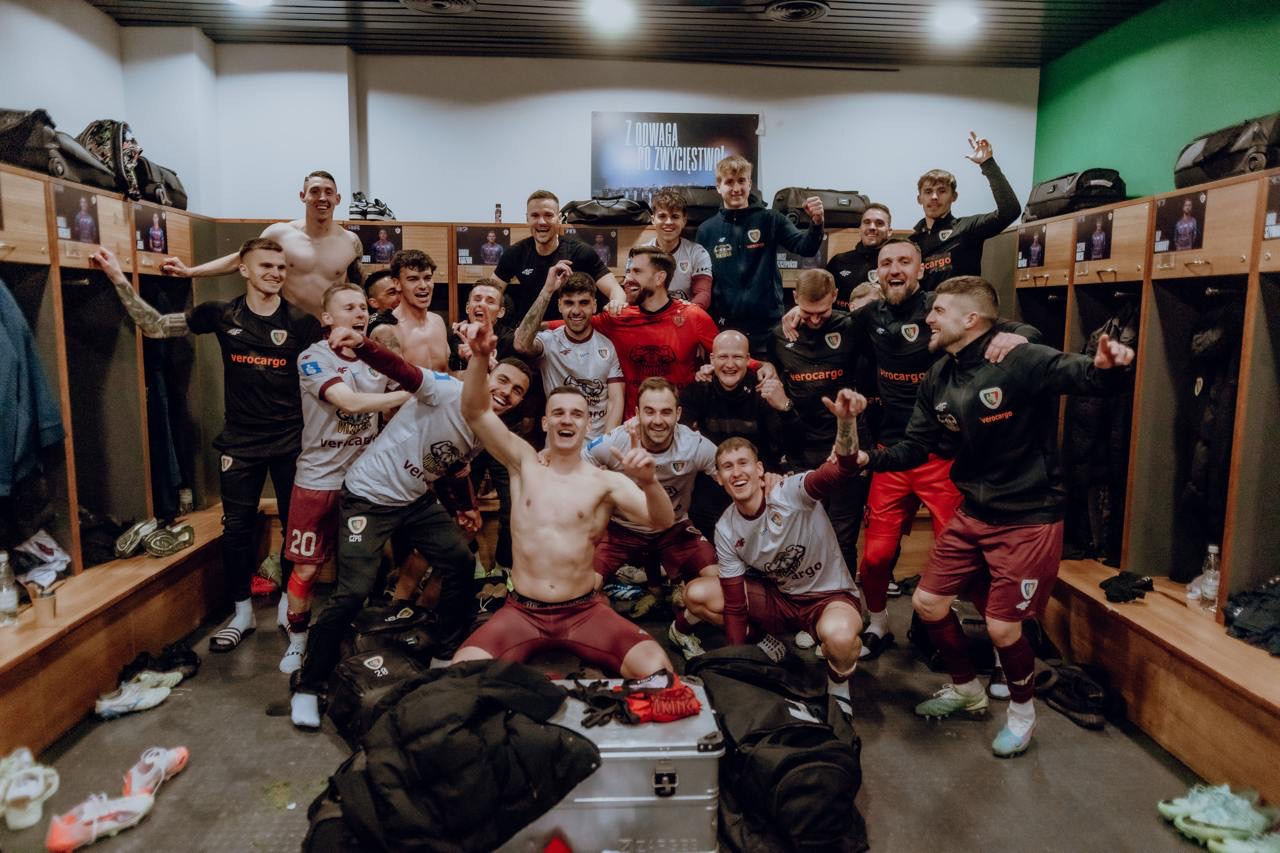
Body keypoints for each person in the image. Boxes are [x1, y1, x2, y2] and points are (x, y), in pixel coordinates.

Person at [861, 275, 1134, 757]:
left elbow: (1085, 377)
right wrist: (867, 459)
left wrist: (1108, 366)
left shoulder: (1018, 357)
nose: (928, 318)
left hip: (1028, 516)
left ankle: (1022, 715)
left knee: (1003, 628)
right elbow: (915, 447)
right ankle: (967, 688)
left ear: (970, 319)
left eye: (938, 311)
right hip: (975, 510)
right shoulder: (938, 375)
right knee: (927, 603)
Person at [779, 240, 1034, 662]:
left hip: (943, 456)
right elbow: (825, 323)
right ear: (876, 273)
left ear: (920, 269)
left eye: (903, 262)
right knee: (876, 557)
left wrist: (1016, 337)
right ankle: (878, 623)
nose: (894, 269)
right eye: (886, 263)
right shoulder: (868, 316)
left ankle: (993, 642)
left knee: (963, 557)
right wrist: (796, 314)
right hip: (893, 453)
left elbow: (1013, 327)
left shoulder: (942, 308)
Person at [289, 329, 533, 728]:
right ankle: (309, 684)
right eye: (503, 380)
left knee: (459, 561)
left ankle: (444, 655)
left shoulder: (487, 426)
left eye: (517, 391)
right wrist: (361, 344)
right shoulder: (446, 389)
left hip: (414, 500)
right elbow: (400, 369)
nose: (507, 392)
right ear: (488, 375)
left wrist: (466, 507)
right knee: (352, 593)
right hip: (368, 497)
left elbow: (453, 465)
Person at [92, 238, 323, 652]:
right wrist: (117, 278)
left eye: (281, 267)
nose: (275, 273)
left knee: (294, 528)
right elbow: (156, 326)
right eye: (266, 266)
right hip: (240, 441)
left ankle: (289, 609)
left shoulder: (301, 322)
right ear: (244, 269)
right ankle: (242, 614)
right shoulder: (221, 314)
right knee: (236, 529)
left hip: (291, 441)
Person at [451, 318, 676, 679]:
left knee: (658, 672)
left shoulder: (605, 482)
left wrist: (649, 482)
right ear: (545, 423)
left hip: (584, 612)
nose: (566, 420)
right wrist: (479, 358)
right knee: (461, 675)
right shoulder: (524, 463)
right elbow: (475, 411)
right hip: (522, 613)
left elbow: (662, 520)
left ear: (587, 425)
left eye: (576, 415)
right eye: (558, 413)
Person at [678, 391, 867, 706]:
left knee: (840, 638)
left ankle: (839, 691)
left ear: (759, 469)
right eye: (727, 467)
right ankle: (763, 642)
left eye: (743, 463)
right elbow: (735, 606)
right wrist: (739, 663)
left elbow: (841, 470)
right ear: (719, 479)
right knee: (697, 594)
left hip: (827, 597)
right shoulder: (726, 528)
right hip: (780, 600)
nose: (736, 472)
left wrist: (846, 423)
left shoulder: (791, 492)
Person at [279, 282, 409, 674]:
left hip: (363, 482)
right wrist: (408, 395)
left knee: (365, 570)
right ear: (327, 318)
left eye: (362, 307)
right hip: (318, 480)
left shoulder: (376, 356)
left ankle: (357, 635)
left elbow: (412, 383)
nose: (359, 313)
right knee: (306, 569)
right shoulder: (312, 357)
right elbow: (348, 403)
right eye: (348, 307)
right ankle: (298, 640)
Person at [586, 377, 719, 623]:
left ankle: (682, 620)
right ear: (637, 414)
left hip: (674, 527)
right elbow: (578, 465)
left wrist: (766, 481)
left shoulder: (695, 444)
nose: (658, 420)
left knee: (718, 585)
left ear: (678, 414)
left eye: (666, 412)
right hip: (622, 528)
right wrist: (553, 454)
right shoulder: (616, 441)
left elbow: (731, 474)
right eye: (649, 412)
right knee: (584, 589)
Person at [764, 268, 870, 579]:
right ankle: (806, 600)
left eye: (821, 312)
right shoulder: (779, 334)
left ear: (835, 296)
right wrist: (766, 368)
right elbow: (767, 365)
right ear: (794, 297)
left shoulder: (852, 326)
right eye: (807, 311)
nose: (813, 320)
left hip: (845, 444)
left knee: (842, 534)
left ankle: (845, 597)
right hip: (801, 447)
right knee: (802, 531)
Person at [162, 170, 362, 318]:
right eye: (315, 191)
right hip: (289, 327)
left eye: (328, 192)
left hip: (330, 329)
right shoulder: (280, 234)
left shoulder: (350, 242)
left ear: (338, 199)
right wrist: (190, 272)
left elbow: (357, 288)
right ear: (303, 197)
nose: (322, 198)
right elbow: (240, 259)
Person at [554, 246, 723, 417]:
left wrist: (710, 370)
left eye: (636, 271)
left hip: (680, 422)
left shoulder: (693, 316)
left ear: (659, 278)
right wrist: (547, 292)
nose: (627, 278)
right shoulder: (617, 317)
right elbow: (568, 323)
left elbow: (729, 357)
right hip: (631, 425)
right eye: (628, 271)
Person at [695, 154, 824, 355]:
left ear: (750, 184)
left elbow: (806, 248)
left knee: (769, 375)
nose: (736, 188)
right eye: (729, 182)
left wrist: (816, 222)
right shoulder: (706, 230)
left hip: (768, 328)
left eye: (741, 181)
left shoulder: (771, 219)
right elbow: (702, 281)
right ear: (718, 187)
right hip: (725, 328)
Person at [680, 329, 800, 538]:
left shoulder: (764, 392)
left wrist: (785, 407)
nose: (729, 364)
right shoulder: (698, 390)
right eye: (723, 357)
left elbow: (792, 444)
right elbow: (681, 436)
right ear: (712, 359)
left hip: (757, 479)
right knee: (701, 511)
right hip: (714, 479)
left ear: (747, 359)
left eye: (736, 357)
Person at [513, 264, 623, 439]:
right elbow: (521, 344)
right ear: (559, 306)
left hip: (596, 445)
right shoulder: (549, 341)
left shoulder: (607, 347)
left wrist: (606, 446)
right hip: (557, 444)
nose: (576, 311)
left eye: (584, 303)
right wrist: (548, 291)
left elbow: (615, 402)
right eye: (569, 303)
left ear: (594, 305)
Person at [493, 190, 627, 323]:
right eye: (535, 215)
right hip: (532, 329)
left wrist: (616, 302)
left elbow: (615, 290)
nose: (542, 221)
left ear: (559, 218)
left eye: (548, 215)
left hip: (570, 330)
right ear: (527, 219)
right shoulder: (515, 253)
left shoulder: (581, 252)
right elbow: (490, 291)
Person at [911, 132, 1020, 292]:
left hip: (963, 305)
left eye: (942, 191)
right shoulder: (912, 243)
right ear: (919, 199)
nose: (934, 197)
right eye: (928, 192)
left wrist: (988, 164)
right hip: (926, 308)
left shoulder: (967, 228)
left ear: (954, 197)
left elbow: (1010, 211)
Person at [370, 249, 449, 370]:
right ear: (397, 284)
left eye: (427, 278)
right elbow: (396, 379)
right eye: (413, 279)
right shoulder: (386, 331)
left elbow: (447, 375)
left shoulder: (438, 321)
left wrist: (476, 356)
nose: (423, 286)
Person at [641, 187, 712, 307]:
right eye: (662, 216)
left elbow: (703, 294)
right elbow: (632, 294)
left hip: (685, 315)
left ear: (684, 221)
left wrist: (687, 313)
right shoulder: (640, 255)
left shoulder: (698, 253)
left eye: (675, 216)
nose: (668, 222)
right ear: (653, 220)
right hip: (651, 315)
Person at [826, 203, 892, 310]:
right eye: (867, 222)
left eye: (879, 223)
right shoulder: (838, 262)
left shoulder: (896, 265)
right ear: (860, 229)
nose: (872, 227)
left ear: (889, 232)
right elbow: (821, 299)